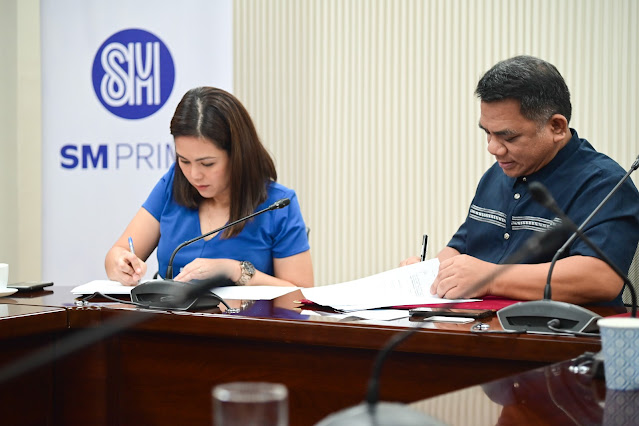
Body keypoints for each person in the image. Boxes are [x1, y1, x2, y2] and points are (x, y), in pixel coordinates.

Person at [401, 55, 639, 305]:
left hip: (554, 328)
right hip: (476, 323)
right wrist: (425, 275)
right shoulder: (498, 173)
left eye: (509, 137)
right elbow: (461, 249)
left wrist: (492, 278)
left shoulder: (604, 184)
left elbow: (601, 278)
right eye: (487, 133)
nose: (493, 148)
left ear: (557, 127)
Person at [105, 87, 314, 288]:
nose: (194, 175)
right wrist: (121, 263)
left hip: (244, 315)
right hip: (169, 313)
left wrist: (235, 270)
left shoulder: (278, 205)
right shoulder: (173, 182)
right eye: (184, 161)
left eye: (207, 164)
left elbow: (300, 296)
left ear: (238, 155)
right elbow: (117, 254)